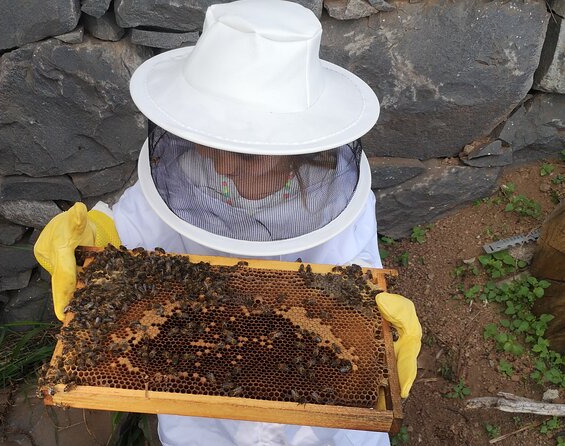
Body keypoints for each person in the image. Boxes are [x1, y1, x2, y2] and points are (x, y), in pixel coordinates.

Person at [35, 1, 422, 445]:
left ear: (294, 142)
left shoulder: (334, 194)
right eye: (210, 142)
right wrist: (95, 238)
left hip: (317, 404)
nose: (224, 167)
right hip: (194, 382)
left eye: (246, 153)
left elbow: (355, 279)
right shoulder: (182, 175)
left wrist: (380, 336)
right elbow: (130, 236)